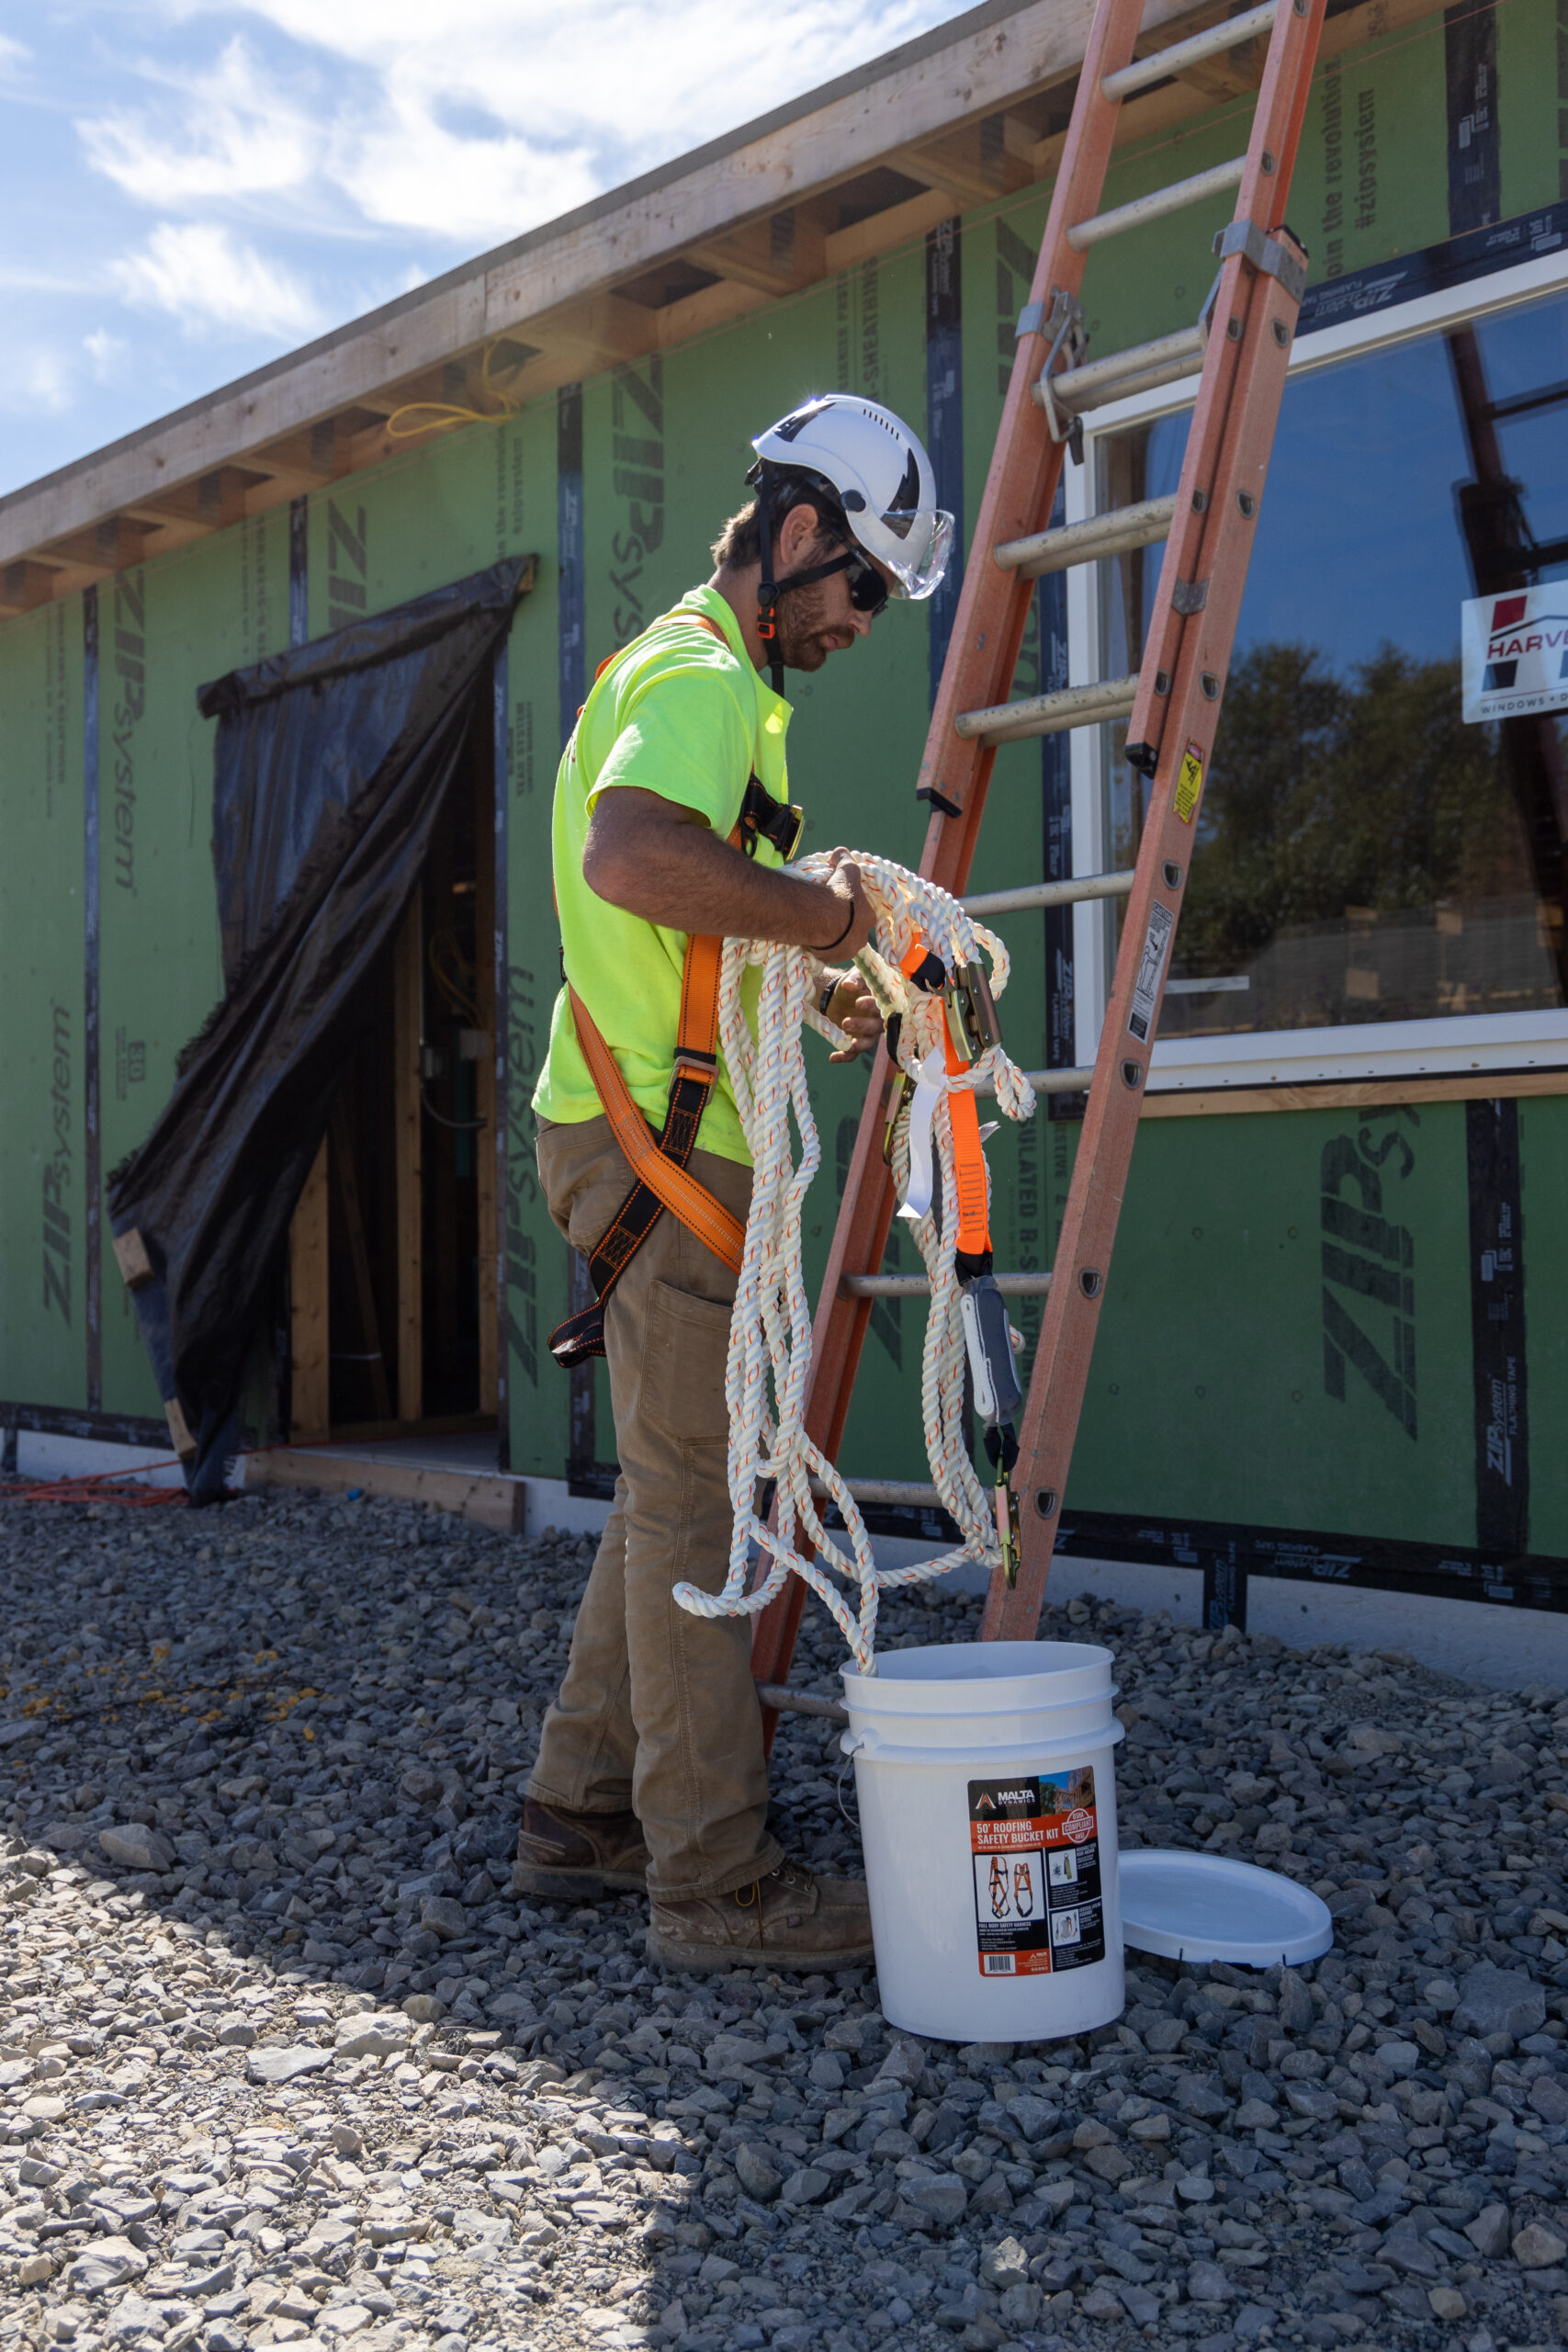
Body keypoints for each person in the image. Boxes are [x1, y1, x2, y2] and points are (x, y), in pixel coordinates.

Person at [515, 395, 953, 1973]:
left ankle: (578, 1813)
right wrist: (835, 928)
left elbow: (682, 917)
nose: (861, 621)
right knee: (699, 1505)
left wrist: (806, 967)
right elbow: (630, 860)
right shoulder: (702, 676)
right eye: (861, 586)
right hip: (655, 1150)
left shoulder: (720, 688)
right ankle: (713, 1882)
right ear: (793, 535)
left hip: (638, 1130)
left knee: (665, 1485)